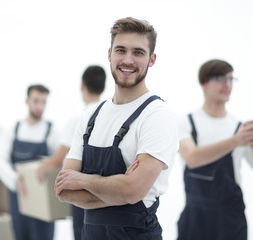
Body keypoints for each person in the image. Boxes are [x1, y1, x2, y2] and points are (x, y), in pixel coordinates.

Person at [54, 17, 178, 239]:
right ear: (109, 54)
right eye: (121, 50)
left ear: (152, 59)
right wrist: (121, 190)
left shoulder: (157, 116)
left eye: (138, 52)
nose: (128, 60)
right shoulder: (90, 116)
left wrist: (83, 180)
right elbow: (65, 190)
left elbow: (133, 190)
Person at [176, 59, 253, 240]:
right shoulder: (186, 122)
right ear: (203, 83)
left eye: (231, 79)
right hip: (195, 219)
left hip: (230, 220)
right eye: (220, 78)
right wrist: (236, 140)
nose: (227, 85)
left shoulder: (241, 128)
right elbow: (192, 158)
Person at [36, 65, 106, 240]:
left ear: (82, 86)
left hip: (82, 193)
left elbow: (56, 161)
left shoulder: (78, 119)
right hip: (106, 192)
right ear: (103, 87)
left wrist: (37, 170)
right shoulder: (110, 116)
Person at [0, 84, 59, 240]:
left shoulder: (52, 131)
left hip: (43, 200)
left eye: (43, 102)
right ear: (27, 101)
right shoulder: (12, 130)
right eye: (36, 101)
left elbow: (61, 161)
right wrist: (15, 179)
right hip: (18, 198)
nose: (40, 106)